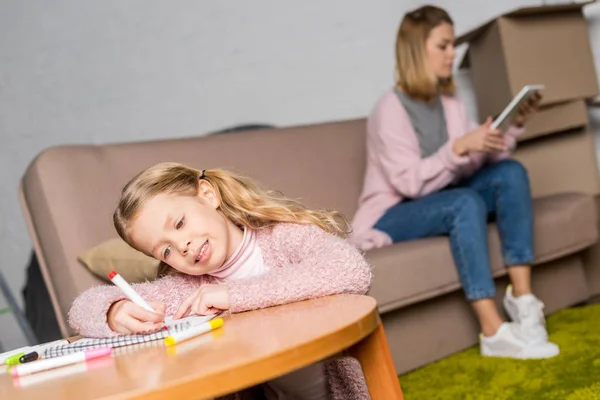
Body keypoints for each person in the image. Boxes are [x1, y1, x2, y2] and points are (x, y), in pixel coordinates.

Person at [350, 5, 559, 359]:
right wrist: (459, 146)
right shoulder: (389, 110)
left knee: (510, 173)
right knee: (465, 202)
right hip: (394, 212)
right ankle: (492, 331)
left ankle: (522, 300)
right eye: (443, 46)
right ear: (417, 50)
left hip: (446, 196)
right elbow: (410, 184)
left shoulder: (450, 102)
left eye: (452, 45)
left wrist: (509, 129)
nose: (452, 54)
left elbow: (472, 162)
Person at [68, 162, 373, 400]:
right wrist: (114, 311)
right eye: (166, 250)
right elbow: (83, 307)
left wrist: (235, 295)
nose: (182, 245)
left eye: (179, 223)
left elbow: (349, 268)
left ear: (208, 195)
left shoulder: (283, 237)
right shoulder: (189, 286)